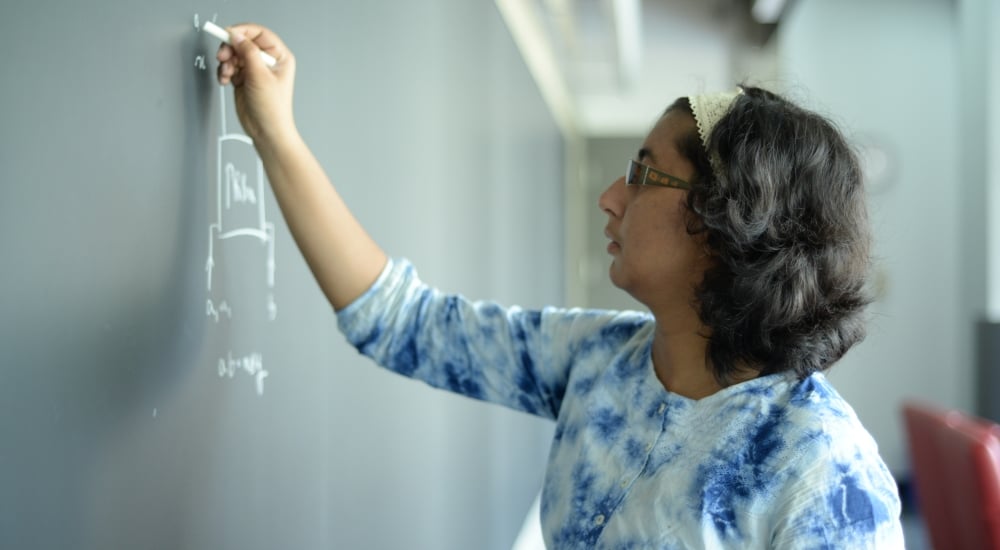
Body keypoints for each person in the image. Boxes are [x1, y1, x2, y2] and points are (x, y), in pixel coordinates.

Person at [216, 24, 905, 549]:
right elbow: (402, 322)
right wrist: (274, 132)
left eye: (642, 174)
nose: (609, 197)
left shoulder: (824, 475)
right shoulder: (601, 359)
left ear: (729, 219)